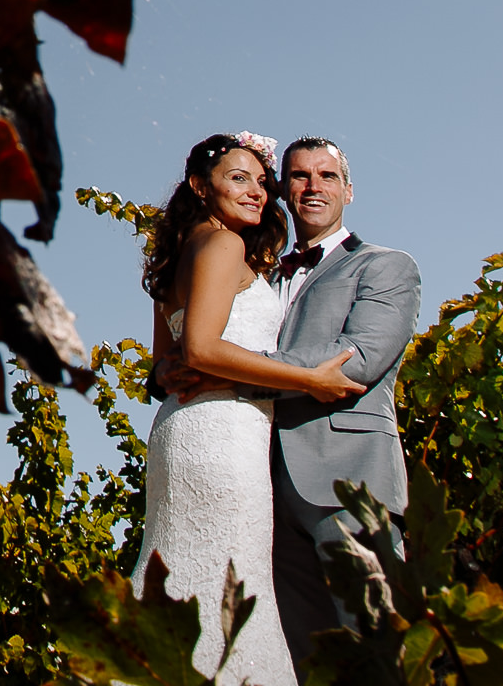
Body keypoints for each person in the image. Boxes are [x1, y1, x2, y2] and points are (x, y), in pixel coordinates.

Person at [158, 136, 423, 672]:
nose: (312, 186)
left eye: (327, 176)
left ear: (349, 189)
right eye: (299, 176)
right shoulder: (259, 267)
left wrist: (223, 372)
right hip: (260, 488)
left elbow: (357, 362)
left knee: (378, 644)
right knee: (305, 660)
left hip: (347, 481)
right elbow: (184, 344)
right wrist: (171, 368)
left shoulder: (385, 266)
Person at [133, 133, 365, 686]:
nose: (258, 192)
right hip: (224, 435)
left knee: (182, 569)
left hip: (180, 429)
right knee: (227, 580)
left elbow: (165, 367)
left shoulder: (177, 254)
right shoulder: (224, 246)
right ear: (199, 185)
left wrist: (167, 373)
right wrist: (309, 378)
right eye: (239, 178)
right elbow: (202, 349)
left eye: (262, 182)